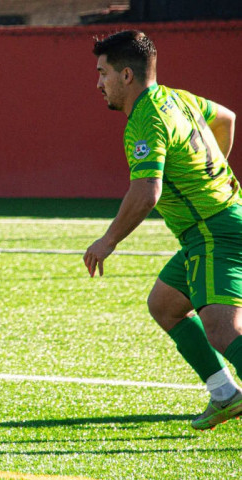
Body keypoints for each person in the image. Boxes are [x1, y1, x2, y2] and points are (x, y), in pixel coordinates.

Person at [84, 29, 242, 430]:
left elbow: (146, 192)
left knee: (223, 330)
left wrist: (108, 240)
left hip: (211, 229)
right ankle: (226, 393)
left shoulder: (143, 120)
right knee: (165, 304)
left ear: (126, 76)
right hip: (214, 223)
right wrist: (207, 170)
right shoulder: (176, 98)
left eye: (103, 73)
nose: (97, 83)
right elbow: (226, 117)